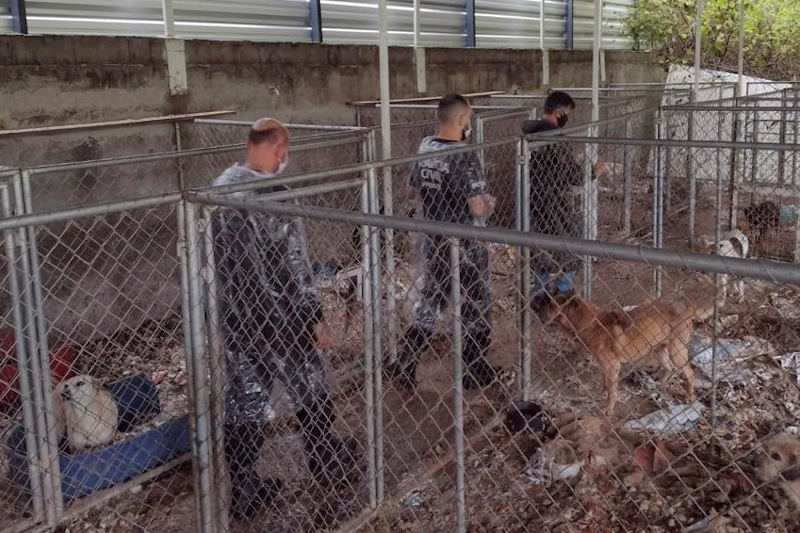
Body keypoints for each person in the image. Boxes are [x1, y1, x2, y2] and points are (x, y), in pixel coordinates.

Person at [212, 118, 358, 521]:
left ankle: (242, 485)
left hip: (238, 317)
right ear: (278, 149)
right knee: (310, 383)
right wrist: (311, 318)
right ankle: (323, 455)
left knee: (246, 400)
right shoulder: (274, 194)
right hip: (281, 318)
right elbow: (293, 267)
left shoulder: (221, 185)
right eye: (285, 151)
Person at [385, 94, 498, 392]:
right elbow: (477, 207)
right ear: (462, 120)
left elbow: (411, 191)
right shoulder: (463, 155)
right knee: (477, 301)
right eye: (469, 118)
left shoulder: (426, 147)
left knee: (432, 302)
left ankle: (406, 360)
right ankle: (474, 367)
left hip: (434, 238)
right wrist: (489, 204)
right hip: (464, 242)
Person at [521, 91, 605, 314]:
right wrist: (592, 171)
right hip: (554, 200)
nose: (567, 117)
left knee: (541, 248)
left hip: (533, 198)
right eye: (567, 113)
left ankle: (540, 294)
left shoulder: (530, 133)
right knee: (575, 243)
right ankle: (562, 291)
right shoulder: (556, 137)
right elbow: (570, 175)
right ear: (559, 111)